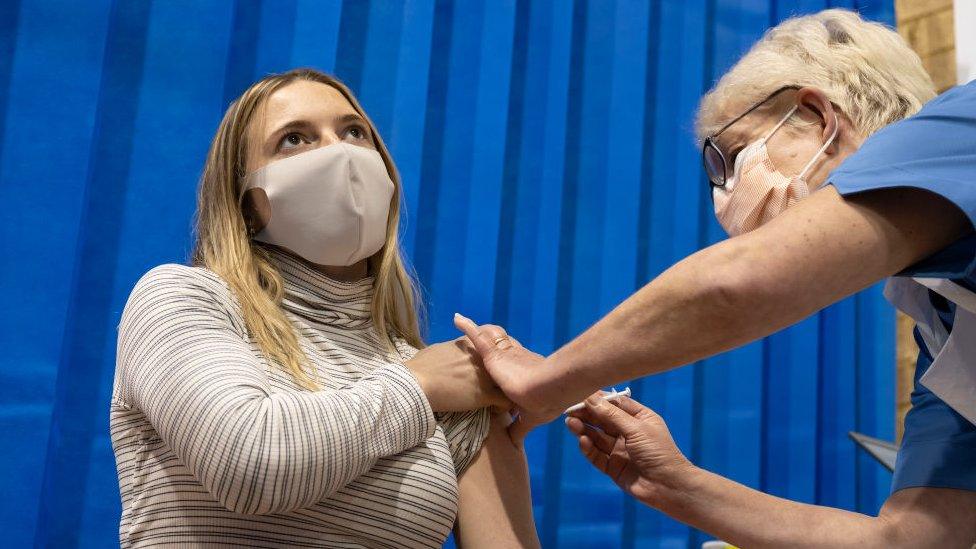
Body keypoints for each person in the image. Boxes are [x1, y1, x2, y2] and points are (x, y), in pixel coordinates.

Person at [454, 9, 976, 547]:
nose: (724, 197)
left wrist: (547, 381)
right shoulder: (949, 331)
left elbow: (742, 280)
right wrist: (675, 486)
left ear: (819, 115)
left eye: (731, 158)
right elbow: (910, 541)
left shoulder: (964, 127)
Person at [111, 69, 539, 548]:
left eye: (354, 132)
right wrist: (421, 385)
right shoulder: (184, 299)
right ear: (248, 203)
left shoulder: (449, 377)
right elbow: (249, 466)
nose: (341, 154)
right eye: (294, 140)